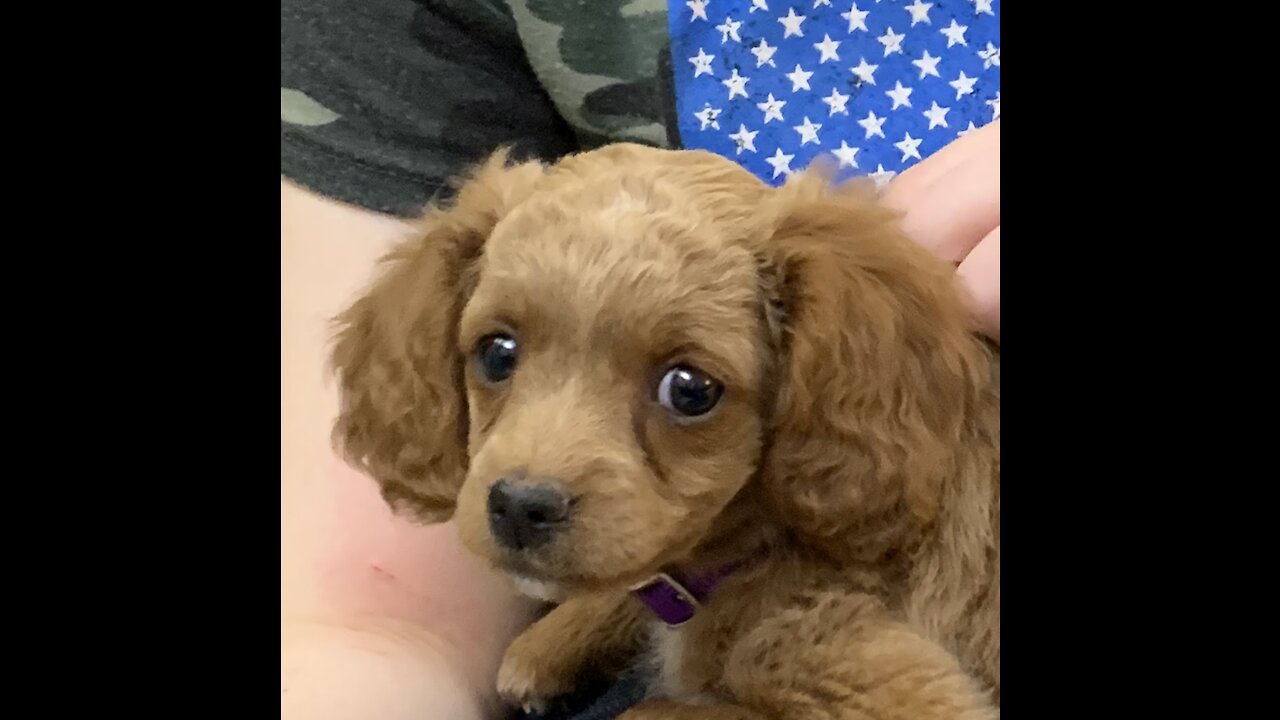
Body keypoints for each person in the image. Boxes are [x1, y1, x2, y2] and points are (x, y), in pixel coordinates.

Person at [280, 2, 999, 719]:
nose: (535, 473)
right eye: (499, 358)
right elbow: (364, 627)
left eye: (688, 393)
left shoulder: (804, 624)